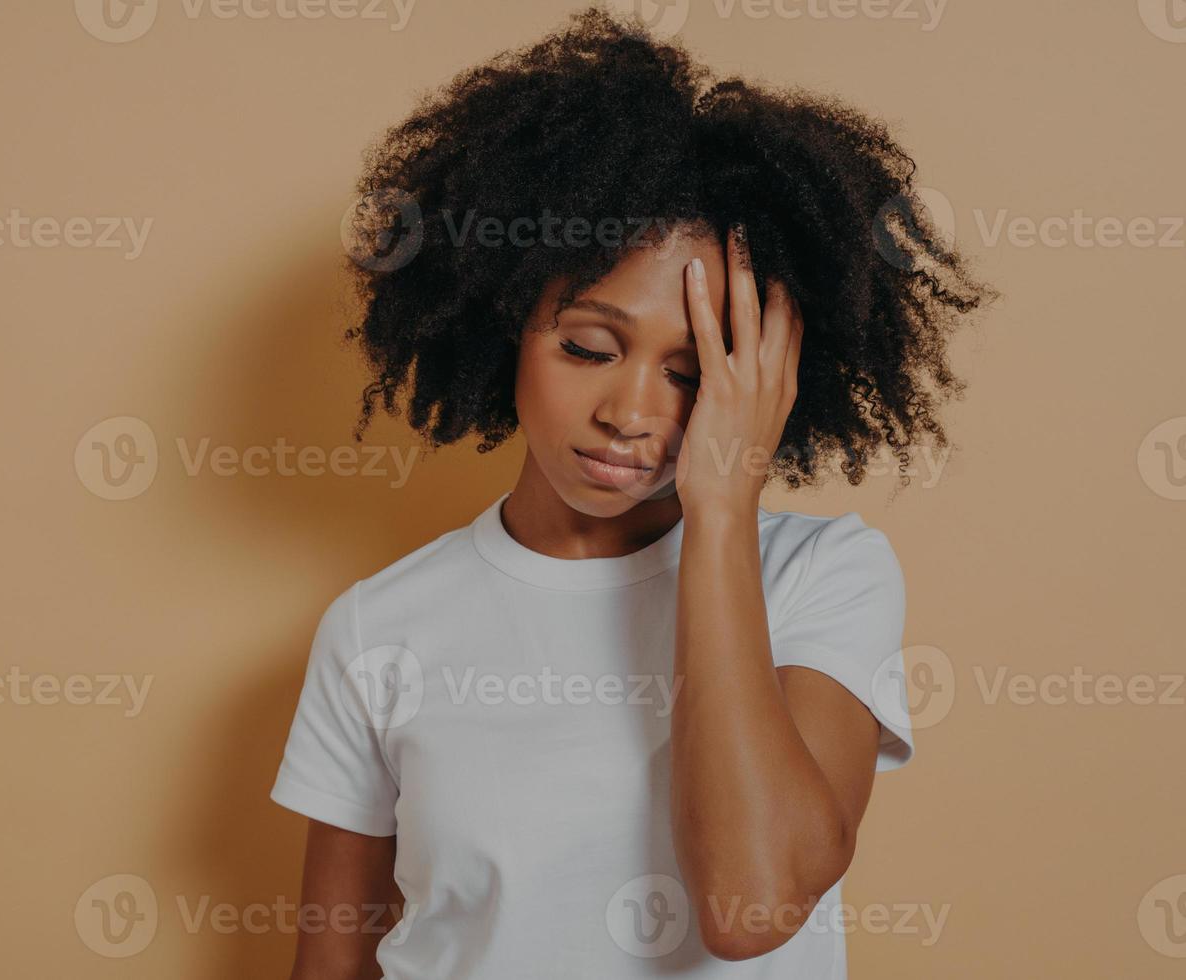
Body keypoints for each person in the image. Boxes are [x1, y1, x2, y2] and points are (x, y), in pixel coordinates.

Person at [270, 6, 994, 978]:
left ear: (768, 378)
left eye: (694, 373)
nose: (631, 410)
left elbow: (752, 904)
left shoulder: (824, 578)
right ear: (502, 320)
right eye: (587, 346)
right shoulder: (376, 628)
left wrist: (725, 506)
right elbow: (332, 963)